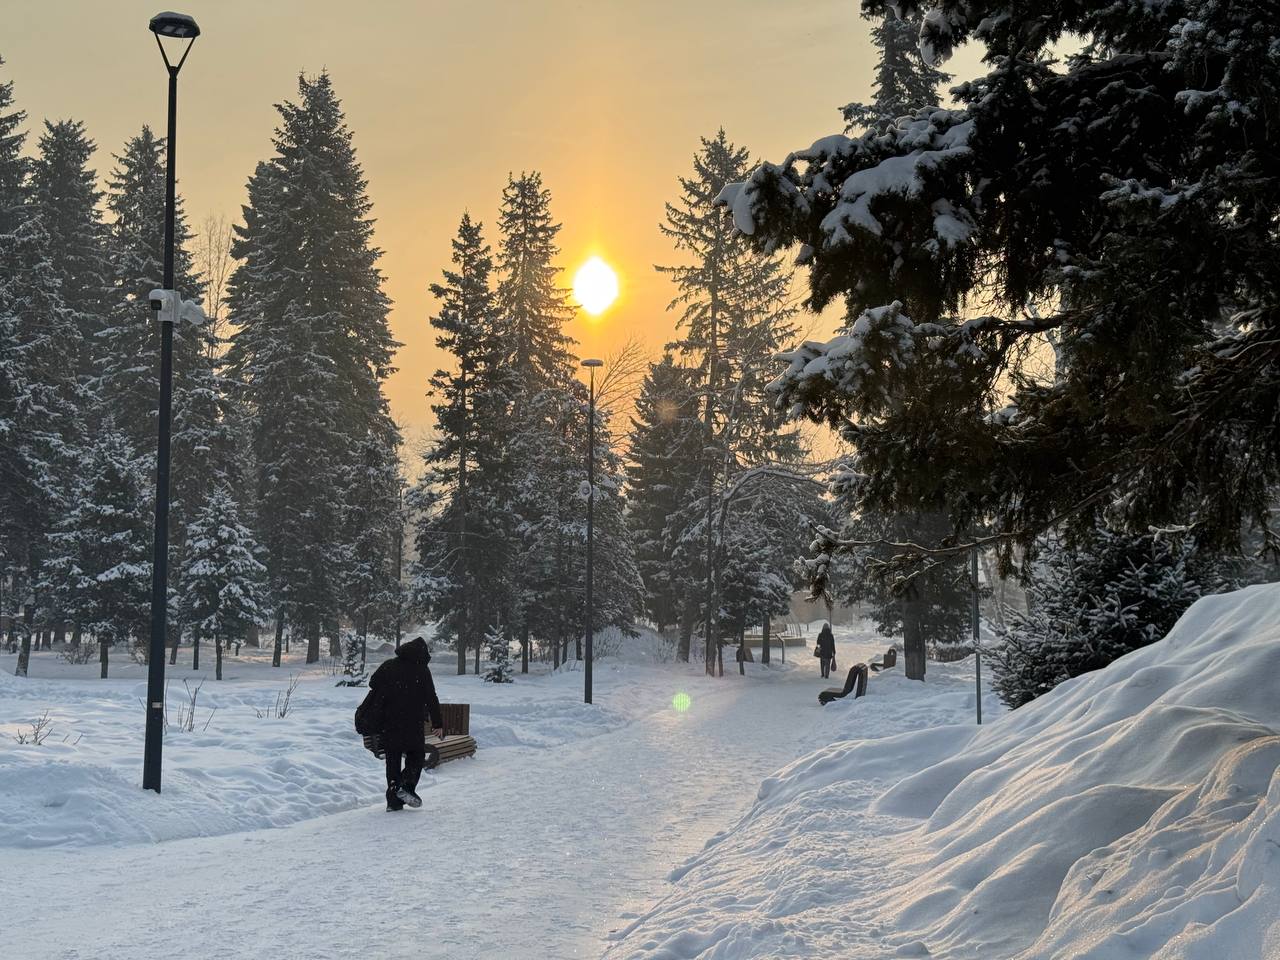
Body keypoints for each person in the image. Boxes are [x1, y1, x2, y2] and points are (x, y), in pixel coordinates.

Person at [369, 636, 444, 812]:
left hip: (389, 722)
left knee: (393, 759)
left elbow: (373, 683)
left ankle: (393, 799)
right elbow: (431, 698)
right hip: (412, 722)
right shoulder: (422, 671)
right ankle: (406, 785)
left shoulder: (389, 665)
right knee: (416, 756)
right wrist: (438, 722)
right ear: (422, 653)